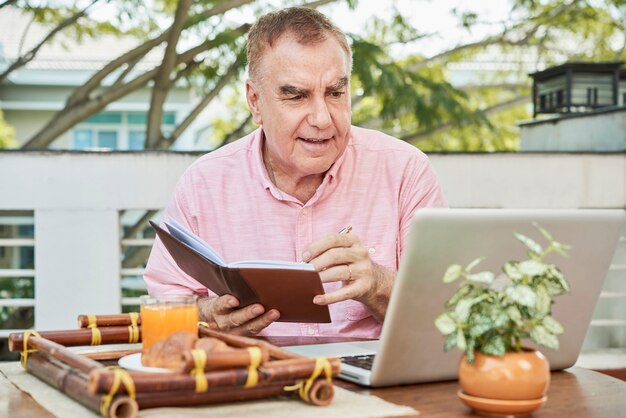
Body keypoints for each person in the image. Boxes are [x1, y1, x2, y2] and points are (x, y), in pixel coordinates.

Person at [143, 6, 447, 339]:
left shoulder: (405, 170)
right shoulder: (204, 183)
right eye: (297, 96)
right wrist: (208, 317)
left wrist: (379, 284)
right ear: (255, 101)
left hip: (371, 377)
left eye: (335, 93)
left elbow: (448, 313)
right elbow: (164, 308)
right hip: (250, 377)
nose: (322, 118)